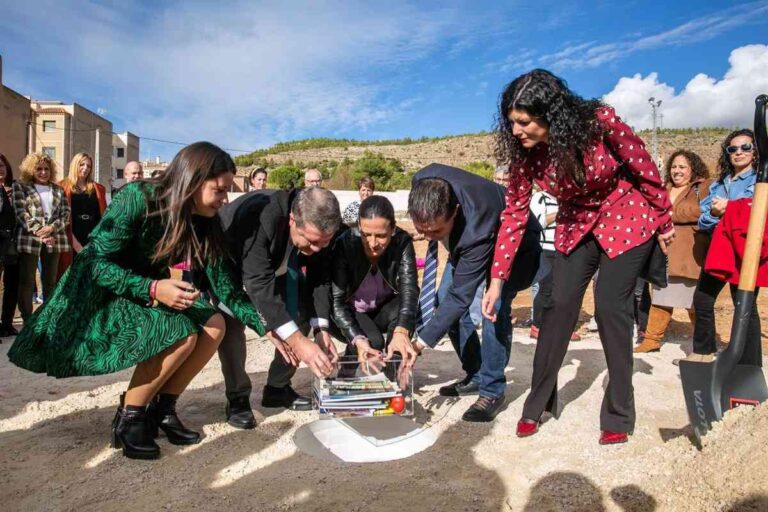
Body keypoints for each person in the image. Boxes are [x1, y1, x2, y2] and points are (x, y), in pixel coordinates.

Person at [7, 142, 276, 460]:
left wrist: (269, 328)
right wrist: (152, 289)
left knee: (214, 322)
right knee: (179, 331)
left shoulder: (204, 220)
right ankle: (129, 418)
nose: (225, 199)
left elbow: (228, 289)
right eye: (219, 190)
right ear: (193, 180)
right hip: (102, 290)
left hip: (152, 286)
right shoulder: (138, 198)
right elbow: (95, 263)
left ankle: (161, 410)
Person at [483, 69, 674, 445]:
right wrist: (497, 280)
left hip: (626, 214)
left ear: (549, 114)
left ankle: (619, 411)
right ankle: (538, 403)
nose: (517, 130)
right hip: (576, 223)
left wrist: (664, 217)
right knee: (557, 306)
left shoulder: (599, 123)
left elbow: (643, 166)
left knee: (609, 308)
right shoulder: (526, 158)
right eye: (512, 123)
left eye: (524, 121)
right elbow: (514, 216)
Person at [409, 163, 541, 422]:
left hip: (517, 247)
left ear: (454, 212)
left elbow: (461, 297)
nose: (428, 237)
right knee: (442, 300)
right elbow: (452, 299)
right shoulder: (423, 179)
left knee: (493, 309)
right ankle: (476, 371)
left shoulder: (475, 228)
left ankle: (492, 390)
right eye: (422, 229)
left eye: (435, 231)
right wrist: (429, 229)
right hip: (467, 242)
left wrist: (419, 344)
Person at [216, 186, 339, 429]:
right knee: (230, 323)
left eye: (324, 243)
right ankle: (238, 397)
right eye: (312, 241)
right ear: (293, 218)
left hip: (276, 267)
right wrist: (296, 341)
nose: (316, 250)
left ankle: (277, 388)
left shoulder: (319, 233)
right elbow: (258, 283)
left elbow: (320, 276)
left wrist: (320, 329)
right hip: (228, 269)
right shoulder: (260, 216)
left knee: (301, 312)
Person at [684, 129, 759, 364]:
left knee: (745, 307)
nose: (739, 153)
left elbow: (755, 212)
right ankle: (704, 352)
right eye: (733, 149)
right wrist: (721, 211)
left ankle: (749, 363)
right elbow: (704, 218)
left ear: (755, 151)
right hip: (720, 250)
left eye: (745, 147)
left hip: (745, 251)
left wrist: (729, 208)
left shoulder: (760, 181)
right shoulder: (720, 183)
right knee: (703, 300)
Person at [331, 195, 419, 384]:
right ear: (358, 228)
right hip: (353, 311)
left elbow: (410, 290)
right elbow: (337, 302)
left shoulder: (402, 242)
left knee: (406, 315)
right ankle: (345, 375)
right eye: (365, 234)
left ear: (393, 229)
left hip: (384, 309)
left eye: (381, 236)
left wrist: (402, 332)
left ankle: (394, 376)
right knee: (372, 342)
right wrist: (356, 337)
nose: (372, 243)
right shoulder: (345, 243)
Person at [634, 150, 712, 353]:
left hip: (690, 253)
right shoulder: (664, 188)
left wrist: (669, 214)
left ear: (692, 169)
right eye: (674, 167)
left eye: (682, 167)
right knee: (661, 297)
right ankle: (651, 340)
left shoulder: (703, 188)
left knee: (693, 302)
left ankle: (702, 346)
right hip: (664, 252)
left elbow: (702, 210)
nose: (677, 171)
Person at [11, 153, 71, 322]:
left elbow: (66, 214)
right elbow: (21, 213)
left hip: (54, 240)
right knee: (27, 281)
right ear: (31, 169)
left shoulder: (58, 189)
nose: (43, 172)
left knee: (50, 281)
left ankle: (47, 317)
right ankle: (28, 318)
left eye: (46, 169)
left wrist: (52, 228)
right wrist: (41, 232)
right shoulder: (21, 187)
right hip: (29, 241)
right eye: (39, 169)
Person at [528, 189, 581, 341]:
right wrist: (562, 212)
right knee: (547, 288)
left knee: (566, 290)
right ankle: (537, 325)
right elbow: (538, 222)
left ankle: (562, 327)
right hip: (546, 249)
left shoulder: (569, 196)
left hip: (567, 248)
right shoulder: (540, 198)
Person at [58, 153, 108, 277]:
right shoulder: (61, 187)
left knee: (90, 276)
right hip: (70, 235)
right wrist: (76, 244)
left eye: (89, 166)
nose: (85, 168)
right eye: (82, 164)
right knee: (69, 275)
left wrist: (96, 241)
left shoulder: (98, 188)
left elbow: (103, 216)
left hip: (93, 237)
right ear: (75, 165)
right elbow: (60, 217)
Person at [0, 153, 19, 338]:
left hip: (14, 243)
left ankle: (7, 323)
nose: (0, 169)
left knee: (12, 284)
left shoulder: (16, 189)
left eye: (2, 165)